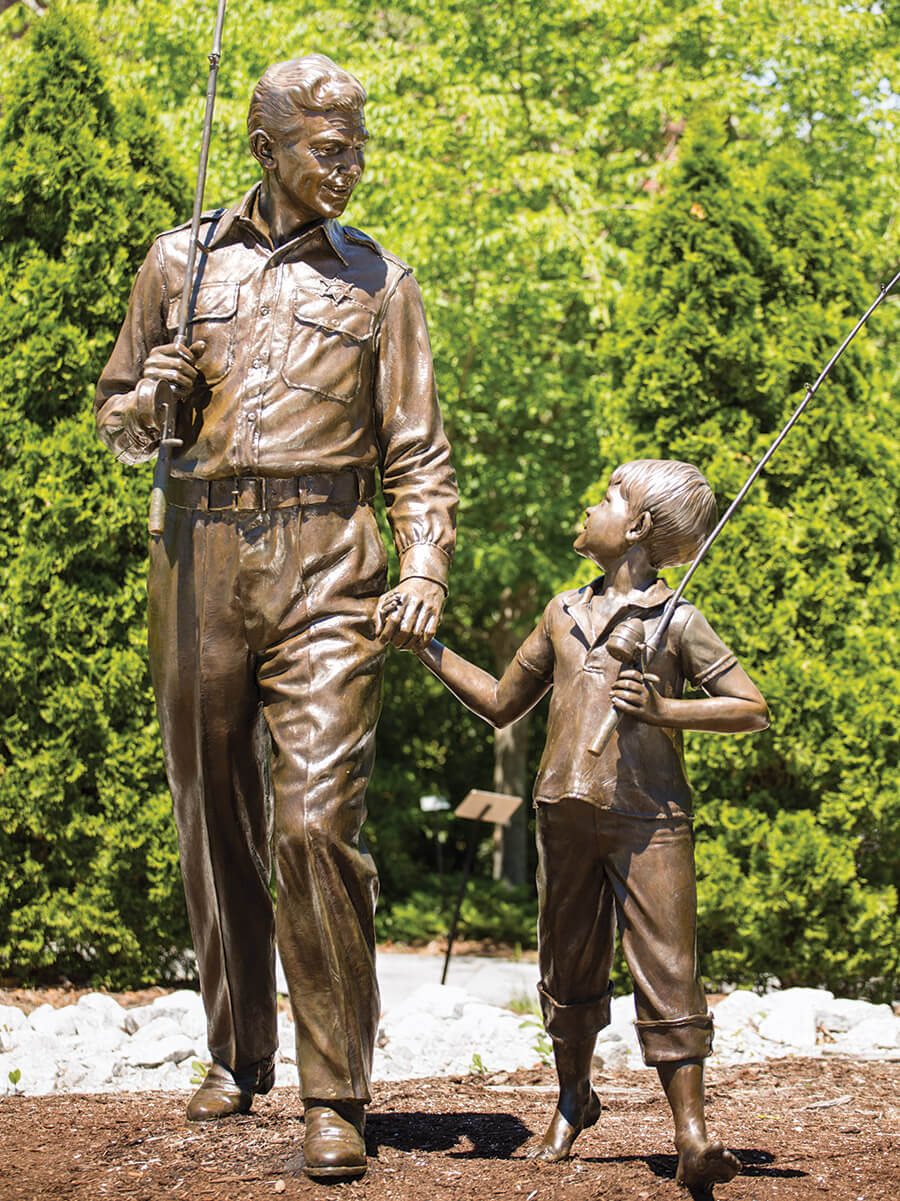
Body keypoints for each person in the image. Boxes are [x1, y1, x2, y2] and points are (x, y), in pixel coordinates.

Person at [94, 55, 457, 1181]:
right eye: (326, 147)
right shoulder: (176, 260)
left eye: (357, 145)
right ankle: (238, 1048)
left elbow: (420, 453)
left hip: (329, 567)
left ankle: (335, 1090)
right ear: (266, 148)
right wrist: (148, 403)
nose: (347, 165)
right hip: (197, 557)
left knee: (311, 823)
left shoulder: (382, 283)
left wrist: (426, 564)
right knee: (215, 811)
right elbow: (113, 420)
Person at [414, 459, 768, 1190]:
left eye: (608, 497)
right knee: (568, 965)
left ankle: (692, 1134)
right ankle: (574, 1097)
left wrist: (669, 711)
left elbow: (750, 707)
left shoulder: (678, 621)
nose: (590, 505)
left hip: (650, 819)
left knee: (668, 966)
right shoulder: (561, 613)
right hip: (564, 810)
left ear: (637, 527)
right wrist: (423, 645)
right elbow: (501, 701)